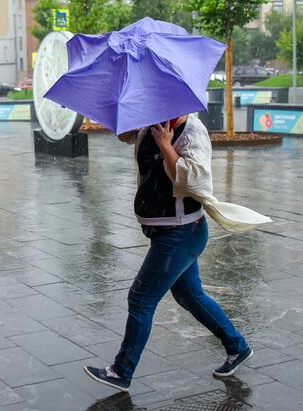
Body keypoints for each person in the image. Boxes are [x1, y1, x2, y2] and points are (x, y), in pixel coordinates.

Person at [83, 114, 269, 392]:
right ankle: (237, 346)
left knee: (141, 298)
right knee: (189, 296)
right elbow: (126, 137)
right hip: (165, 233)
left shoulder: (191, 131)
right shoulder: (152, 121)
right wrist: (123, 117)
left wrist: (167, 146)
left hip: (181, 234)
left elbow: (196, 183)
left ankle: (121, 371)